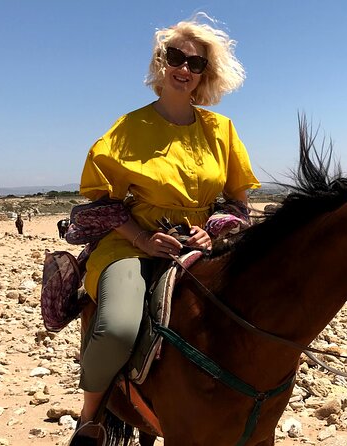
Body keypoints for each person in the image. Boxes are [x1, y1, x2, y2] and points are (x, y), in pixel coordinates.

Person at [70, 13, 259, 445]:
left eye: (197, 64)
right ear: (161, 61)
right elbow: (99, 204)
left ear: (204, 75)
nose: (185, 69)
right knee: (118, 326)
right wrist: (141, 237)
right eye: (177, 57)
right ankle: (91, 417)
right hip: (132, 245)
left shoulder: (222, 131)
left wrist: (213, 229)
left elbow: (238, 204)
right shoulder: (126, 129)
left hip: (201, 243)